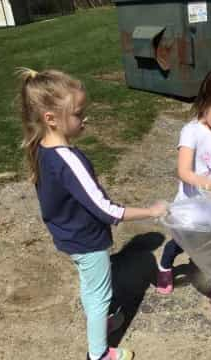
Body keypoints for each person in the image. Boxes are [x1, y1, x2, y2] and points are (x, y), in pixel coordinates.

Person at [18, 68, 167, 360]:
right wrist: (150, 210)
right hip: (86, 239)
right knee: (100, 294)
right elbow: (105, 209)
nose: (84, 118)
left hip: (68, 236)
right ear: (51, 118)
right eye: (77, 113)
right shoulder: (67, 160)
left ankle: (102, 324)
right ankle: (98, 354)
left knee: (92, 286)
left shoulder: (41, 148)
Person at [156, 68, 211, 319]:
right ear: (204, 102)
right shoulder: (192, 131)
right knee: (181, 242)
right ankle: (165, 265)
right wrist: (209, 184)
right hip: (192, 205)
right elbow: (183, 172)